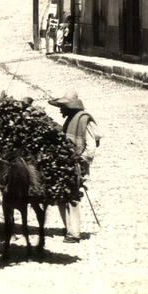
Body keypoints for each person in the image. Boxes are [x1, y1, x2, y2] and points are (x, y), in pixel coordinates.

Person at [48, 90, 101, 243]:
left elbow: (91, 147)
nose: (60, 109)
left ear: (70, 107)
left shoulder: (84, 120)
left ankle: (74, 233)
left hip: (76, 165)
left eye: (63, 106)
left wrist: (80, 161)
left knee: (72, 197)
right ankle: (68, 228)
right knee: (61, 196)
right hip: (65, 164)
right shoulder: (70, 119)